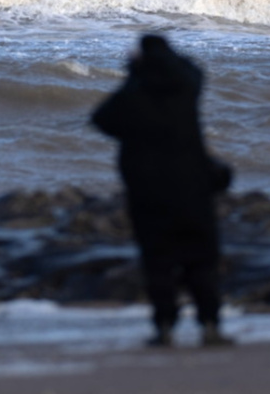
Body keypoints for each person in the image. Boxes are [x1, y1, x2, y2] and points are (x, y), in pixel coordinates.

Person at [91, 34, 234, 348]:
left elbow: (102, 119)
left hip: (150, 193)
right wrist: (168, 58)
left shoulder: (135, 95)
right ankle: (210, 325)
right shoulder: (185, 90)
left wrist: (134, 74)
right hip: (192, 189)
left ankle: (165, 329)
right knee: (201, 261)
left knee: (158, 263)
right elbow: (196, 72)